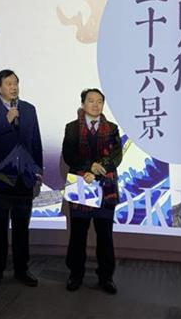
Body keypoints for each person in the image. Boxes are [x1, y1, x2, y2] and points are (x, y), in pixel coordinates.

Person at [0, 69, 43, 288]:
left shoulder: (29, 109)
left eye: (16, 83)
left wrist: (38, 169)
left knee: (22, 228)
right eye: (9, 84)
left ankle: (22, 269)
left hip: (24, 178)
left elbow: (35, 141)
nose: (13, 87)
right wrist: (6, 120)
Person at [62, 88, 122, 294]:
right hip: (80, 185)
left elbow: (116, 156)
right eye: (91, 101)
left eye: (99, 101)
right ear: (83, 104)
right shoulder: (72, 128)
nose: (95, 105)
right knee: (78, 234)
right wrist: (89, 167)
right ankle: (75, 274)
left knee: (105, 235)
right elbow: (68, 155)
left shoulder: (112, 128)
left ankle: (106, 276)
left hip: (106, 187)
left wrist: (97, 169)